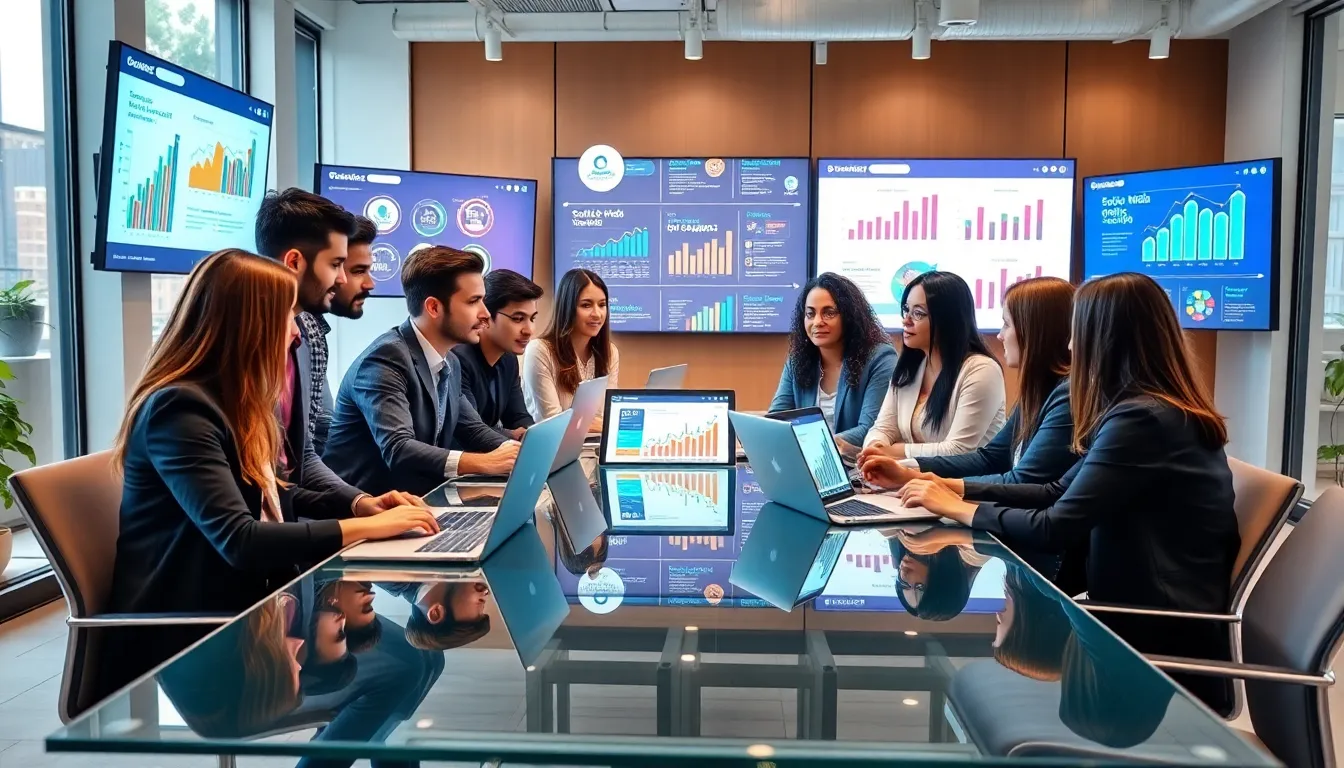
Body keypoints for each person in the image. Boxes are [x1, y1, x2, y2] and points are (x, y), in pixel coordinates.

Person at [896, 272, 1239, 713]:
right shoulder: (1142, 410)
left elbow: (1055, 526)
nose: (1072, 347)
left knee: (1017, 693)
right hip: (1123, 612)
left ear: (1105, 339)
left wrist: (959, 509)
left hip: (1145, 638)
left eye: (1078, 333)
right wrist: (948, 489)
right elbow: (1057, 490)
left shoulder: (1142, 421)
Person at [105, 250, 440, 694]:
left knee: (409, 666)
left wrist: (365, 506)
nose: (295, 335)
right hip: (192, 634)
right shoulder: (179, 410)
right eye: (287, 317)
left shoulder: (234, 403)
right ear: (248, 325)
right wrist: (364, 528)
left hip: (253, 603)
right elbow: (240, 540)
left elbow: (276, 497)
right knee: (400, 670)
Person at [255, 190, 420, 517]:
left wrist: (360, 504)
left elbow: (300, 460)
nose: (345, 279)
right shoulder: (243, 354)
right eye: (338, 265)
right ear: (294, 263)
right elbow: (244, 522)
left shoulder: (305, 337)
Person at [324, 246, 520, 496]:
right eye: (473, 301)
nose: (484, 314)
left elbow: (473, 429)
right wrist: (484, 462)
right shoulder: (385, 358)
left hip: (414, 505)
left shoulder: (450, 361)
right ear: (434, 308)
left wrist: (522, 455)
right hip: (361, 513)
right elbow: (399, 447)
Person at [861, 277, 1076, 491]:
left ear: (1036, 331)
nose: (1000, 336)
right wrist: (898, 466)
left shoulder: (1064, 396)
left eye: (1006, 324)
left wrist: (912, 471)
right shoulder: (1040, 391)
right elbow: (991, 458)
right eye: (906, 310)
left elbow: (1020, 482)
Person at [859, 271, 1006, 460]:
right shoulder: (909, 368)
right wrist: (875, 449)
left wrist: (896, 452)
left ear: (948, 320)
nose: (906, 320)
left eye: (918, 313)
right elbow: (883, 428)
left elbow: (959, 451)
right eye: (906, 310)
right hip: (909, 482)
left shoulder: (982, 371)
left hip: (963, 485)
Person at [769, 273, 896, 452]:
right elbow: (777, 419)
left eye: (829, 313)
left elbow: (870, 430)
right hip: (804, 464)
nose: (817, 322)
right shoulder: (798, 360)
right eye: (810, 314)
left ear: (849, 316)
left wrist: (810, 443)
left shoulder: (880, 359)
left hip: (857, 469)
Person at [298, 214, 378, 455]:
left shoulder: (313, 327)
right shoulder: (305, 328)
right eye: (358, 271)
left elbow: (317, 432)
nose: (370, 283)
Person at [522, 268, 620, 428]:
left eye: (602, 305)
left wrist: (602, 424)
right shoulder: (540, 350)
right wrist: (604, 424)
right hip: (553, 450)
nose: (597, 314)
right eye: (586, 305)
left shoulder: (610, 352)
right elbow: (553, 422)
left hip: (594, 448)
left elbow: (608, 414)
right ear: (567, 307)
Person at [452, 268, 540, 443]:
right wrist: (510, 435)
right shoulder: (458, 359)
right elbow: (470, 431)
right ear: (486, 317)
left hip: (494, 456)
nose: (529, 330)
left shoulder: (508, 360)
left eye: (532, 319)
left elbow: (518, 418)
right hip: (466, 461)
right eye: (517, 318)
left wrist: (534, 437)